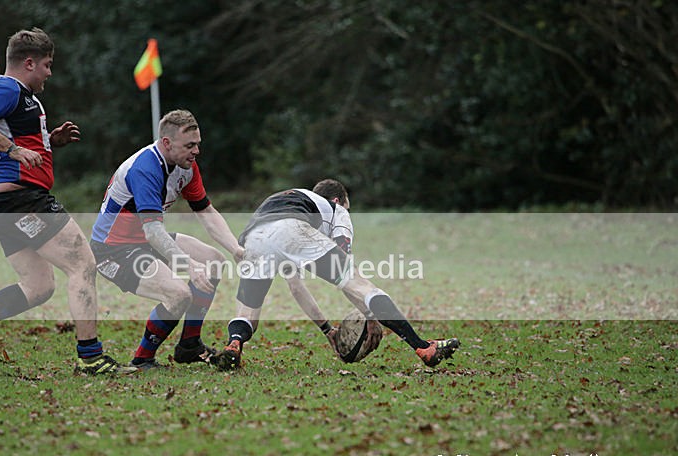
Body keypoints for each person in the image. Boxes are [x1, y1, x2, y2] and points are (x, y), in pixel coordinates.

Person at [0, 28, 131, 375]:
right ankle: (90, 357)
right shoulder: (7, 88)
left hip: (5, 206)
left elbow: (17, 136)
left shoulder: (24, 96)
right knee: (83, 265)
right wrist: (13, 150)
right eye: (46, 64)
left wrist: (49, 142)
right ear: (28, 62)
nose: (49, 72)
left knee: (39, 287)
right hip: (23, 203)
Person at [212, 179, 459, 370]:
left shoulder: (292, 199)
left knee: (247, 315)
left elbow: (296, 287)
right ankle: (423, 347)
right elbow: (347, 279)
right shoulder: (337, 210)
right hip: (291, 227)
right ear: (339, 200)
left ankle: (234, 343)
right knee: (364, 286)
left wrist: (327, 330)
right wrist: (369, 316)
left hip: (254, 237)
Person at [90, 109, 244, 370]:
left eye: (197, 144)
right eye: (189, 145)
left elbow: (205, 211)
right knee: (179, 294)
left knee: (214, 261)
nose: (196, 151)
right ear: (166, 143)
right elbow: (153, 231)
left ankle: (189, 345)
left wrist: (236, 249)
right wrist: (189, 265)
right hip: (112, 250)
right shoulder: (145, 169)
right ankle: (142, 358)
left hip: (145, 240)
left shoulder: (186, 166)